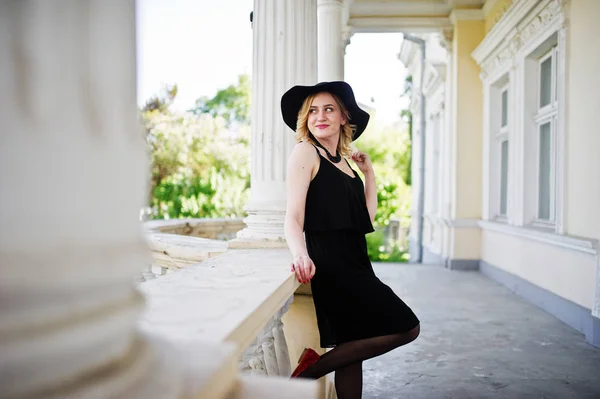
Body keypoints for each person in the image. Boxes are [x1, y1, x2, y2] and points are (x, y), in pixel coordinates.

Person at [281, 81, 420, 399]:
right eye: (313, 110)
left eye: (329, 109)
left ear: (344, 117)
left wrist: (369, 175)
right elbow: (293, 216)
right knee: (407, 327)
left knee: (351, 347)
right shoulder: (305, 152)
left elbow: (365, 219)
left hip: (356, 259)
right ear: (306, 118)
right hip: (331, 263)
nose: (320, 116)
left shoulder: (346, 163)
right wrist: (300, 254)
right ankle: (308, 373)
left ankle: (311, 370)